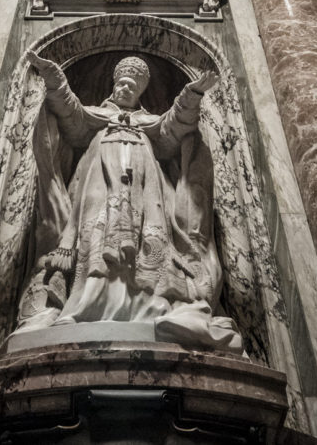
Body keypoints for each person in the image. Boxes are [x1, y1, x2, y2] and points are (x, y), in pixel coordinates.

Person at [14, 51, 244, 351]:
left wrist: (192, 93)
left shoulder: (149, 124)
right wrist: (55, 79)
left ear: (140, 94)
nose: (125, 89)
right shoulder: (96, 118)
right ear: (113, 84)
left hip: (146, 192)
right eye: (122, 83)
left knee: (144, 244)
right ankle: (84, 306)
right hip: (98, 185)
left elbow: (173, 127)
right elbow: (70, 113)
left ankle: (147, 307)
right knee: (94, 237)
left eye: (132, 88)